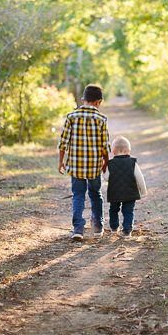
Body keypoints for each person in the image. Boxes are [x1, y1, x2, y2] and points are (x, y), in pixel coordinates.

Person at [58, 84, 111, 241]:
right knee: (96, 194)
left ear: (83, 100)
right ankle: (97, 227)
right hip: (94, 166)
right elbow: (105, 146)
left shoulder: (71, 117)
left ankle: (78, 230)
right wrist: (105, 163)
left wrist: (61, 162)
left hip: (75, 166)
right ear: (98, 102)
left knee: (78, 195)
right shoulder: (101, 119)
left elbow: (63, 143)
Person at [104, 135, 147, 238]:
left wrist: (103, 171)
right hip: (130, 193)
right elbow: (140, 177)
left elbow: (106, 178)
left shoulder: (110, 164)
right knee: (128, 211)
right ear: (128, 151)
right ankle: (127, 231)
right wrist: (143, 191)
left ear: (113, 152)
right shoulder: (133, 163)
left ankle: (114, 228)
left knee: (113, 210)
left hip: (115, 193)